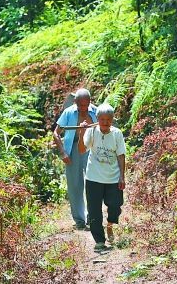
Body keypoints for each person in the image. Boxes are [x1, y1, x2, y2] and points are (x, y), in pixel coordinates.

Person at [78, 103, 126, 252]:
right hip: (93, 178)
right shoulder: (91, 131)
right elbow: (81, 150)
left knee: (115, 205)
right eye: (102, 119)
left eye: (108, 119)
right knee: (94, 210)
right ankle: (99, 240)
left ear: (112, 120)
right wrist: (81, 132)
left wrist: (122, 177)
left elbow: (121, 155)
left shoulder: (117, 133)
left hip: (112, 178)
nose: (105, 122)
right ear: (97, 119)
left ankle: (110, 225)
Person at [53, 88, 97, 230]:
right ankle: (79, 220)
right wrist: (63, 152)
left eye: (85, 105)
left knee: (94, 183)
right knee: (75, 186)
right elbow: (56, 133)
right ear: (75, 102)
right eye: (80, 105)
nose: (83, 108)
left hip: (91, 149)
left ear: (90, 102)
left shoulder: (96, 112)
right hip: (73, 150)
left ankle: (93, 217)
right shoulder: (69, 113)